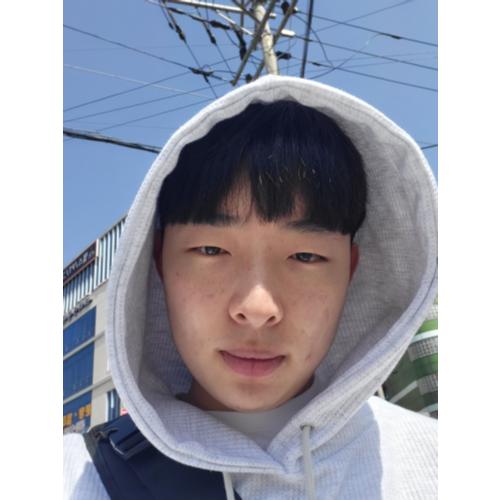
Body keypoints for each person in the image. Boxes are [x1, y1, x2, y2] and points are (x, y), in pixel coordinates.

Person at [64, 75, 438, 499]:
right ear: (159, 264)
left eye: (306, 256)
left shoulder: (439, 464)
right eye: (211, 250)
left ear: (350, 272)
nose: (257, 307)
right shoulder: (71, 476)